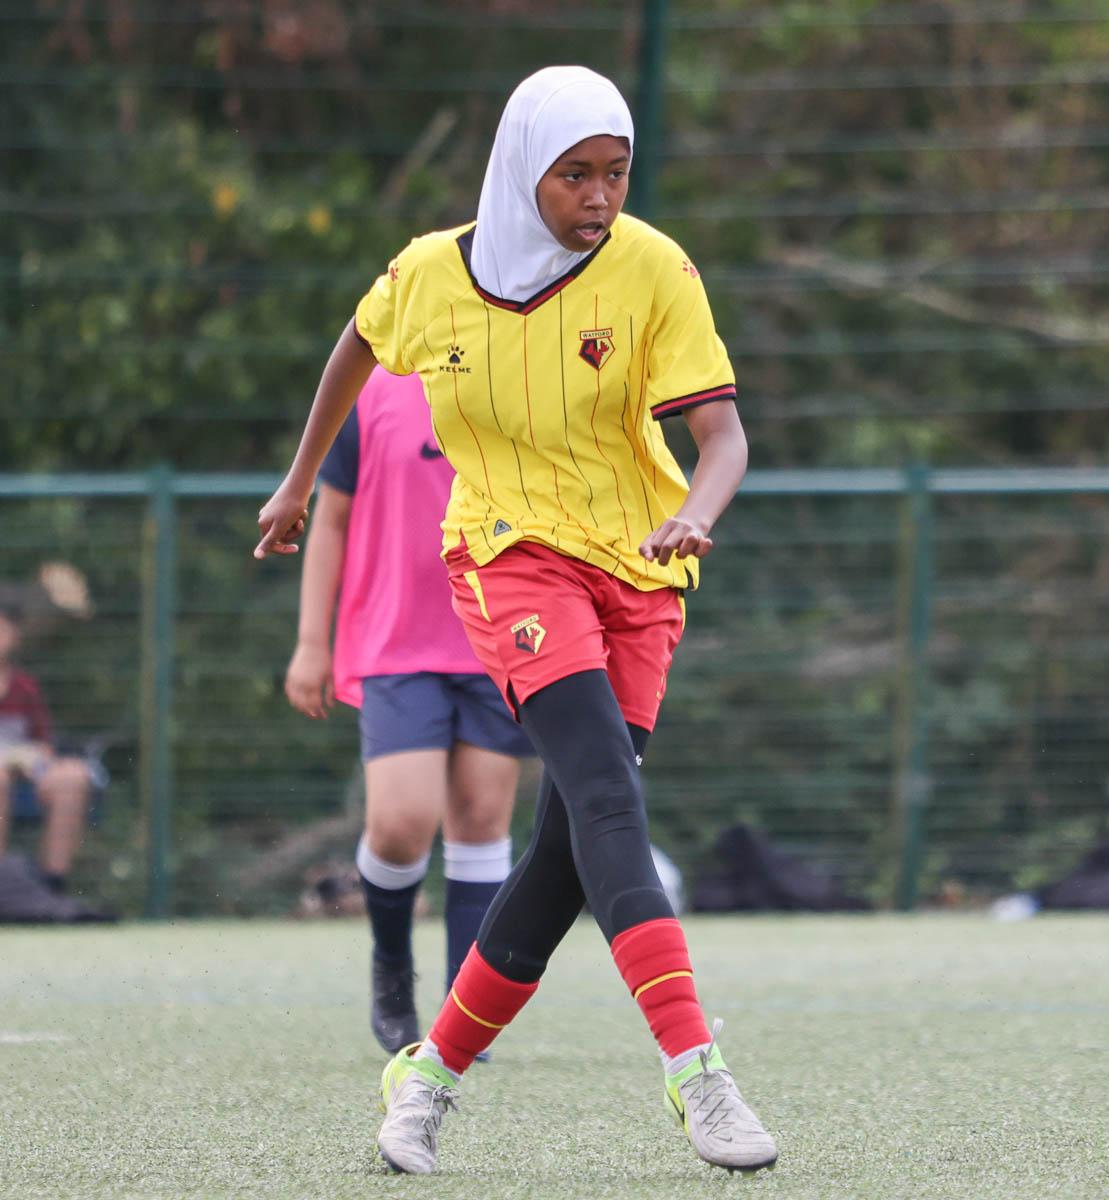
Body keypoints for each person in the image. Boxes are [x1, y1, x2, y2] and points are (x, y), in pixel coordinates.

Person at [254, 66, 774, 1174]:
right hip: (506, 556)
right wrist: (299, 482)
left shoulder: (654, 268)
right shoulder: (431, 276)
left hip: (639, 566)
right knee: (604, 800)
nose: (600, 197)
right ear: (516, 171)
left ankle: (426, 1076)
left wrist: (693, 512)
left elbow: (723, 439)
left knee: (565, 858)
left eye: (617, 173)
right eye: (574, 175)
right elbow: (354, 344)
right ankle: (699, 1076)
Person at [283, 365, 534, 1054]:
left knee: (482, 819)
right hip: (394, 643)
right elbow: (328, 520)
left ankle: (466, 1007)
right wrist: (312, 642)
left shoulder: (518, 368)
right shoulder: (369, 388)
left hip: (497, 633)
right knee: (400, 825)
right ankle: (391, 968)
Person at [0, 576, 99, 900]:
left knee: (73, 776)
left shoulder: (25, 687)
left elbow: (42, 744)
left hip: (23, 776)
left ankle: (52, 887)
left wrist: (29, 759)